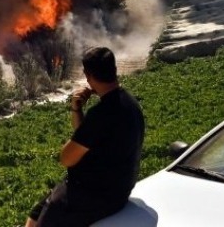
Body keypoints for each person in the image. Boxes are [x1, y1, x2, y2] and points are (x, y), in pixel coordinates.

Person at [25, 46, 145, 227]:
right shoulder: (130, 103)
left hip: (92, 195)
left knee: (46, 217)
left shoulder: (102, 114)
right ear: (114, 69)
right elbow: (87, 136)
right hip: (118, 189)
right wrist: (77, 109)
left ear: (88, 76)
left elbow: (66, 158)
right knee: (37, 211)